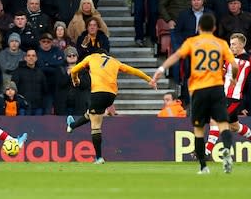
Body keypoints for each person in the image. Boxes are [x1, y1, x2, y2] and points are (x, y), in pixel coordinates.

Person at [152, 13, 238, 174]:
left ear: (199, 27)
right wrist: (233, 78)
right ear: (213, 28)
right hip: (217, 88)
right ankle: (226, 150)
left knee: (198, 129)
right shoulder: (221, 43)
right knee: (223, 125)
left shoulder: (192, 42)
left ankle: (203, 167)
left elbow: (176, 56)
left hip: (199, 89)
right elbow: (234, 65)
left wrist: (161, 70)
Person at [66, 48, 156, 164]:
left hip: (98, 92)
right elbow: (133, 70)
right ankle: (72, 125)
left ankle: (98, 158)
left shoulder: (92, 57)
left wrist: (76, 80)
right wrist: (149, 79)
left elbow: (74, 70)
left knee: (96, 125)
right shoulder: (115, 61)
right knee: (92, 114)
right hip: (111, 96)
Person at [205, 33, 251, 156]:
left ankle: (206, 151)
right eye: (230, 44)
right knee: (235, 126)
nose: (231, 46)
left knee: (215, 119)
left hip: (233, 98)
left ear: (241, 45)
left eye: (234, 44)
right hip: (224, 96)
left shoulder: (246, 60)